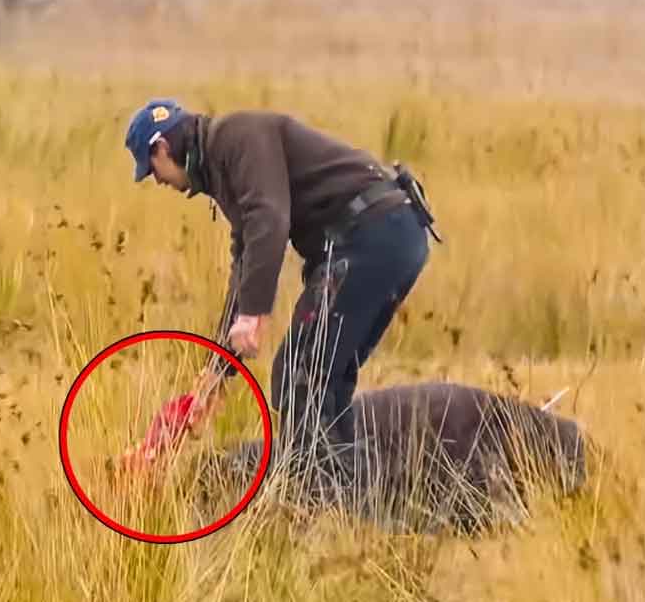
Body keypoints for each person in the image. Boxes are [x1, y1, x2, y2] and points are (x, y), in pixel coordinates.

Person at [123, 97, 437, 485]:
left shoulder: (236, 138)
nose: (160, 183)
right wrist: (218, 369)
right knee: (326, 378)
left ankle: (322, 500)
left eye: (152, 172)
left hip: (372, 236)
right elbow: (246, 260)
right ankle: (356, 497)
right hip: (390, 236)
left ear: (162, 148)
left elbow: (269, 220)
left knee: (299, 374)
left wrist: (254, 314)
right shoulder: (224, 165)